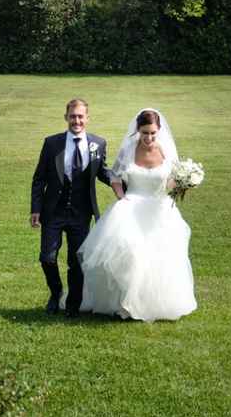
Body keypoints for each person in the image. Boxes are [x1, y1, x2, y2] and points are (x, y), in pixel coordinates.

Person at [78, 108, 197, 321]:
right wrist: (121, 196)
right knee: (130, 255)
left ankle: (154, 304)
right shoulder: (128, 149)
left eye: (152, 133)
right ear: (138, 131)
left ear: (159, 131)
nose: (149, 138)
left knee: (159, 258)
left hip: (159, 210)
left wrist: (184, 182)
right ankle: (125, 303)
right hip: (130, 207)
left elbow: (171, 181)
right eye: (144, 133)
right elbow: (114, 176)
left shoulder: (167, 152)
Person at [30, 99, 111, 317]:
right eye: (73, 116)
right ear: (66, 117)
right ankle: (56, 293)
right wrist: (35, 209)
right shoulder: (51, 143)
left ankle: (73, 305)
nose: (77, 120)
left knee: (76, 262)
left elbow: (103, 171)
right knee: (47, 257)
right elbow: (39, 179)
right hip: (53, 211)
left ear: (87, 118)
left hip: (81, 213)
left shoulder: (98, 143)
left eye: (81, 116)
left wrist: (122, 182)